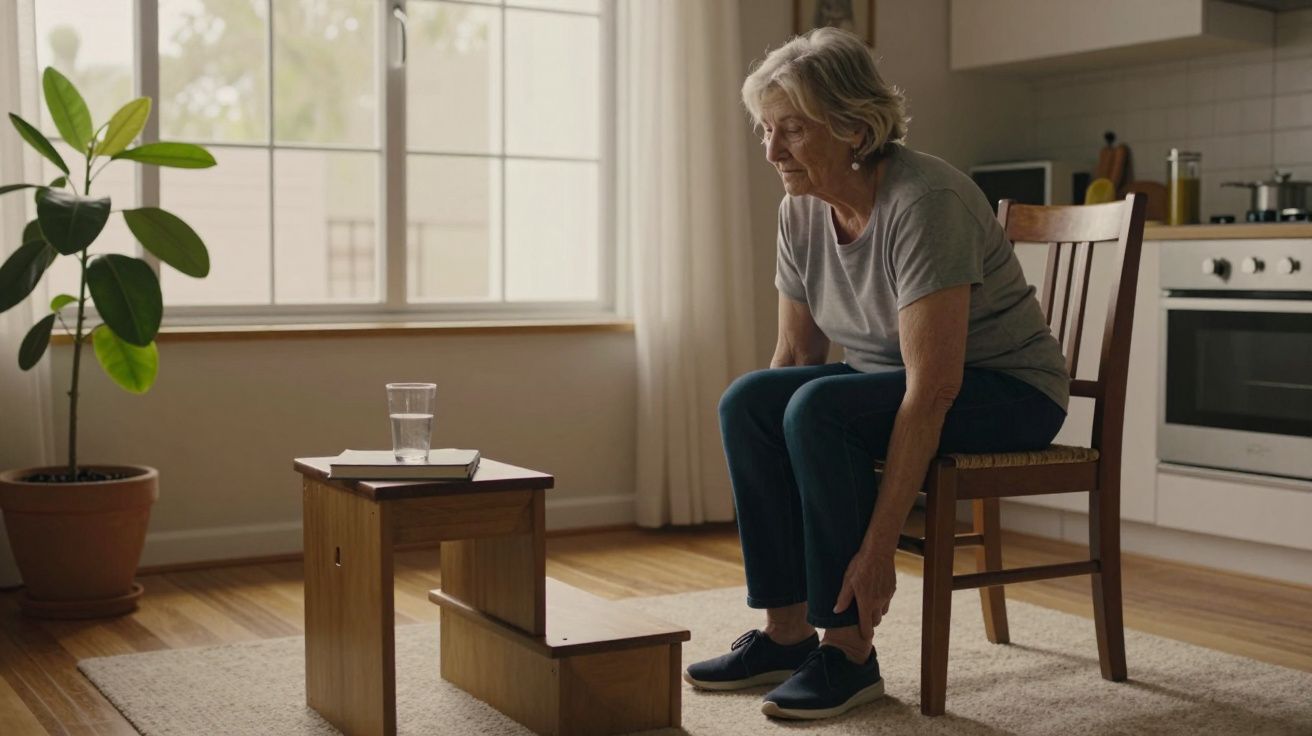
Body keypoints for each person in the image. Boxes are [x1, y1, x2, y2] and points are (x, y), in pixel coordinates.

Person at [682, 27, 1070, 720]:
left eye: (792, 130)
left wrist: (878, 547)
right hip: (893, 385)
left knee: (818, 410)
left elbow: (936, 387)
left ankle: (850, 651)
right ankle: (786, 633)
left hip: (1006, 390)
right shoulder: (799, 210)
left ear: (855, 127)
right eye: (766, 129)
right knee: (751, 400)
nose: (771, 151)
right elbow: (799, 360)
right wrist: (773, 443)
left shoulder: (926, 201)